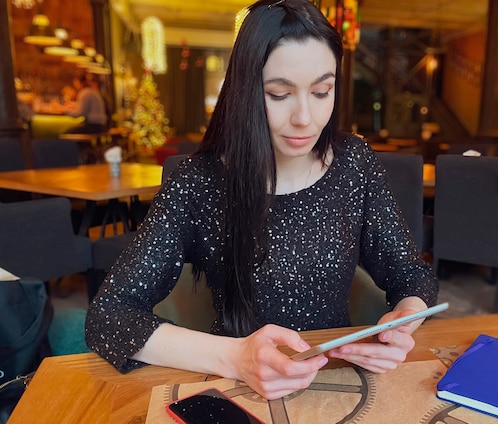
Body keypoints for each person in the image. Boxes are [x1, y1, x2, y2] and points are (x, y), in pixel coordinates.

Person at [85, 0, 438, 400]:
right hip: (239, 387)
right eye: (278, 94)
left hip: (336, 381)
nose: (305, 117)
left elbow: (409, 273)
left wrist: (405, 317)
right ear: (244, 92)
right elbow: (108, 317)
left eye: (323, 91)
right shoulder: (198, 181)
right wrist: (235, 357)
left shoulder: (354, 162)